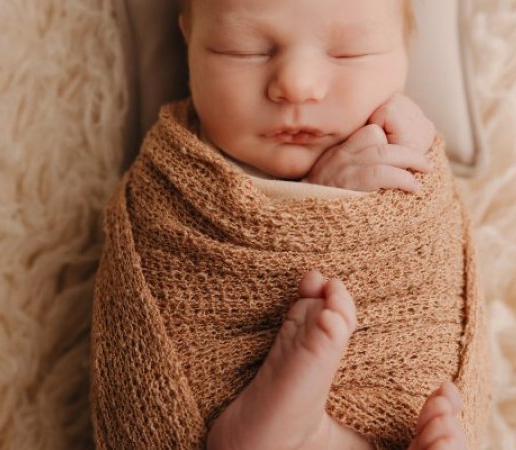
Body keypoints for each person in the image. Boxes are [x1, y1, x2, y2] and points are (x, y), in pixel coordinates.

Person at [176, 0, 471, 449]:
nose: (297, 85)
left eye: (348, 53)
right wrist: (323, 196)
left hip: (389, 407)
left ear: (406, 51)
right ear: (188, 41)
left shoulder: (404, 134)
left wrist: (412, 152)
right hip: (226, 402)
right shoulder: (182, 176)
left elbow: (431, 260)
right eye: (245, 50)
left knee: (428, 417)